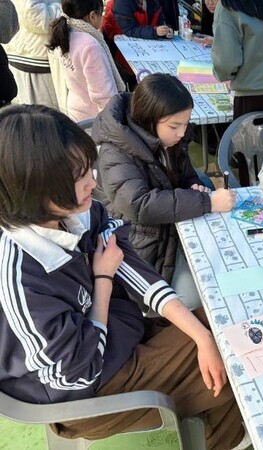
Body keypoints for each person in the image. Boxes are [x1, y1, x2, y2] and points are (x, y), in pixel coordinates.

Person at [0, 104, 250, 450]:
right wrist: (103, 281)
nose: (93, 182)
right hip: (83, 394)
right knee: (237, 361)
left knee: (230, 331)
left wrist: (202, 337)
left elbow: (135, 272)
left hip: (118, 338)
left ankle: (222, 436)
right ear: (35, 191)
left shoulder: (78, 214)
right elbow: (78, 373)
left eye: (89, 168)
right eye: (79, 177)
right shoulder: (21, 276)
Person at [93, 74, 236, 309]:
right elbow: (140, 205)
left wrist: (193, 187)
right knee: (194, 295)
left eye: (186, 123)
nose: (182, 132)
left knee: (218, 255)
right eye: (174, 126)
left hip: (164, 221)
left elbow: (186, 171)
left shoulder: (169, 139)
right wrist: (207, 202)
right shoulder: (115, 152)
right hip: (137, 239)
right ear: (149, 120)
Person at [47, 0, 126, 122]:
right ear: (93, 16)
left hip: (76, 111)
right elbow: (103, 94)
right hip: (95, 119)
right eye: (102, 13)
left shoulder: (66, 33)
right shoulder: (91, 45)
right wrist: (113, 123)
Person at [3, 0, 62, 108]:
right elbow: (33, 13)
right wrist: (69, 10)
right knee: (44, 119)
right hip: (34, 62)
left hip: (28, 56)